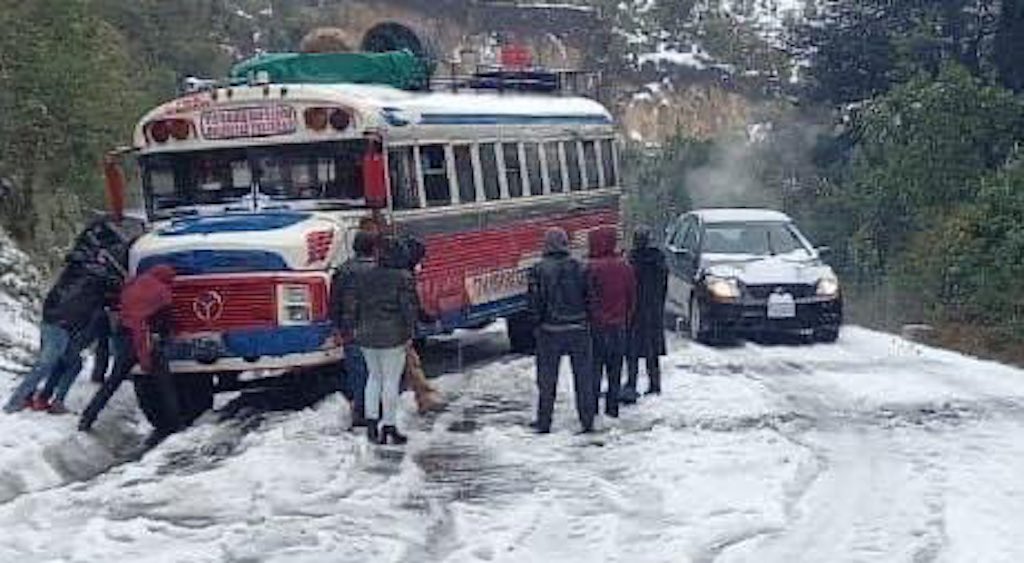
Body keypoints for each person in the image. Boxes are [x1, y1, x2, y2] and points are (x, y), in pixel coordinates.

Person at [3, 251, 121, 414]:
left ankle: (49, 400)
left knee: (72, 363)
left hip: (56, 321)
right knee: (46, 364)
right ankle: (17, 401)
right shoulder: (96, 278)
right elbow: (108, 294)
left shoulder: (76, 273)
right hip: (60, 325)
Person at [78, 265, 177, 432]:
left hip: (125, 336)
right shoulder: (162, 291)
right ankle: (175, 422)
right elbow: (164, 319)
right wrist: (166, 334)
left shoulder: (133, 283)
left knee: (112, 382)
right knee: (164, 383)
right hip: (145, 339)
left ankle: (88, 417)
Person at [348, 237, 419, 445]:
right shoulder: (402, 278)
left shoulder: (364, 276)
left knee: (374, 378)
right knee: (390, 381)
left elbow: (355, 305)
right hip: (392, 335)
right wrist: (410, 333)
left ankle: (371, 426)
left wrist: (355, 327)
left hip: (366, 334)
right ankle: (389, 426)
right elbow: (407, 309)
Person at [527, 227, 595, 434]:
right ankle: (587, 420)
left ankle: (544, 421)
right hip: (579, 330)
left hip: (550, 331)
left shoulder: (538, 270)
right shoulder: (581, 267)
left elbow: (534, 303)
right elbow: (591, 298)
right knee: (583, 378)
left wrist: (536, 325)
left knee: (547, 381)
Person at [586, 226, 636, 419]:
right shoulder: (625, 267)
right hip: (619, 328)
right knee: (615, 372)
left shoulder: (590, 268)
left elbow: (588, 299)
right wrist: (625, 319)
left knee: (594, 371)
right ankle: (612, 410)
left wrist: (593, 319)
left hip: (597, 329)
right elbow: (632, 298)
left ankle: (592, 412)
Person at [330, 231, 375, 429]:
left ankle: (360, 410)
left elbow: (334, 303)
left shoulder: (342, 270)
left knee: (358, 372)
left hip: (352, 329)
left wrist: (337, 327)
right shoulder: (381, 270)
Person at [623, 226, 669, 401]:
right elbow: (664, 285)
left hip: (635, 309)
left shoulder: (632, 260)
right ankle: (655, 384)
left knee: (632, 350)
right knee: (652, 350)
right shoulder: (659, 259)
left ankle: (632, 383)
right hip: (653, 309)